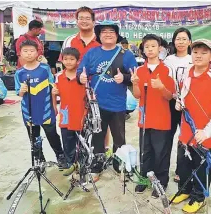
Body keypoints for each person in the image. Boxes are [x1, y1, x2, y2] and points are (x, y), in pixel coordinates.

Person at [170, 39, 211, 213]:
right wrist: (179, 103)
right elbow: (182, 94)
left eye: (204, 52)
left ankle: (199, 196)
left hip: (204, 134)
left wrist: (207, 131)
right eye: (195, 52)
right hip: (186, 131)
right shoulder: (187, 73)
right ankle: (185, 190)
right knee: (184, 163)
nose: (199, 55)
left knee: (202, 167)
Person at [78, 21, 137, 180]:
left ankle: (119, 164)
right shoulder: (92, 53)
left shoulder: (126, 54)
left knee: (119, 137)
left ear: (117, 35)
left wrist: (124, 78)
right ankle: (97, 165)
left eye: (111, 31)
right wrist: (81, 77)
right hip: (97, 104)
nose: (108, 34)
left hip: (118, 104)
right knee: (98, 135)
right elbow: (80, 70)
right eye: (104, 32)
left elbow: (135, 77)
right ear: (99, 36)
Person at [131, 34, 175, 197]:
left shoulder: (166, 69)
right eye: (146, 46)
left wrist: (161, 87)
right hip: (144, 119)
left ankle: (160, 183)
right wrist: (135, 83)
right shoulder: (140, 69)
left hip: (161, 119)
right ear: (143, 49)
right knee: (145, 151)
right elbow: (137, 95)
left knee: (160, 153)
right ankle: (144, 179)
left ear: (160, 49)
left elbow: (170, 96)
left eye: (153, 46)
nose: (149, 49)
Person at [14, 40, 66, 168]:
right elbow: (19, 94)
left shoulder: (45, 69)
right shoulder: (19, 73)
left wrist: (54, 106)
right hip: (28, 111)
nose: (29, 54)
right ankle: (39, 160)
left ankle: (60, 156)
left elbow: (53, 87)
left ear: (37, 52)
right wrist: (21, 91)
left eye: (32, 51)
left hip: (46, 109)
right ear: (20, 54)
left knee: (52, 134)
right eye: (25, 51)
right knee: (34, 137)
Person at [164, 27, 192, 183]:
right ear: (173, 41)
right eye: (178, 39)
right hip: (170, 103)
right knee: (167, 137)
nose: (180, 42)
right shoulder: (168, 60)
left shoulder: (193, 59)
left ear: (189, 41)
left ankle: (181, 170)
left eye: (184, 39)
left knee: (184, 138)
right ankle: (163, 168)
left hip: (187, 106)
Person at [52, 47, 86, 176]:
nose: (68, 62)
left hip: (80, 111)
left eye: (72, 59)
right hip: (65, 112)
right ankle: (69, 162)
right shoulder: (59, 76)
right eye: (65, 59)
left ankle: (82, 162)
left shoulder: (82, 76)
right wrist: (55, 106)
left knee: (82, 138)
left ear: (78, 61)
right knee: (67, 138)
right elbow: (55, 93)